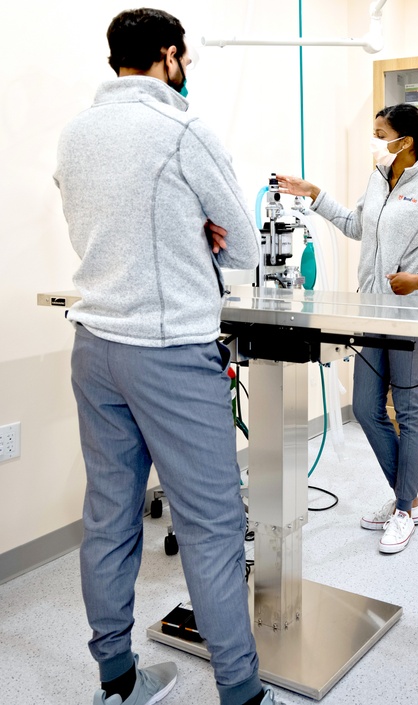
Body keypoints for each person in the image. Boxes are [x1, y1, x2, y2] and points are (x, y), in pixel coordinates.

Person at [54, 8, 281, 705]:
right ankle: (243, 693)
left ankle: (117, 680)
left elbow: (98, 222)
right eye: (184, 58)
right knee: (211, 526)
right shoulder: (183, 128)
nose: (186, 70)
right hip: (170, 353)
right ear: (167, 55)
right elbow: (244, 247)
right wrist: (204, 233)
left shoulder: (75, 134)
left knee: (109, 516)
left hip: (94, 346)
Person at [277, 103, 418, 554]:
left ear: (403, 142)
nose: (374, 141)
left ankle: (404, 507)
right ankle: (410, 497)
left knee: (407, 410)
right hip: (369, 313)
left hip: (410, 316)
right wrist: (315, 194)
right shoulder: (377, 178)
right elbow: (355, 226)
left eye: (379, 133)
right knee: (367, 407)